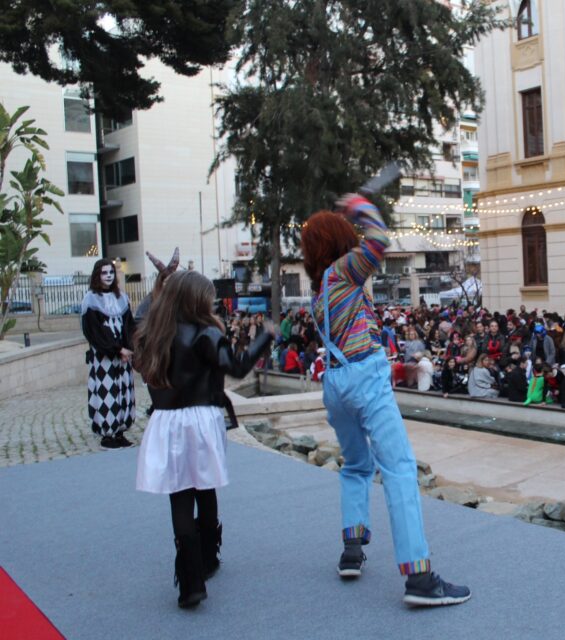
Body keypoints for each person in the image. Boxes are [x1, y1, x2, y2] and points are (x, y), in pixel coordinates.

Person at [299, 194, 469, 606]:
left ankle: (352, 551)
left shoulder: (320, 291)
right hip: (363, 378)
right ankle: (420, 577)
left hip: (336, 385)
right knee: (399, 468)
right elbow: (378, 241)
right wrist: (361, 206)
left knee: (357, 465)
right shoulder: (343, 273)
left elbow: (349, 348)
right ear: (340, 241)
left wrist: (397, 371)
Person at [134, 270, 275, 608]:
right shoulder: (205, 334)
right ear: (197, 299)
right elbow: (238, 368)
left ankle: (190, 581)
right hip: (199, 418)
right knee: (205, 486)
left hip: (166, 421)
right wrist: (264, 337)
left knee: (179, 496)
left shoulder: (153, 333)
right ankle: (209, 556)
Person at [82, 259, 137, 450]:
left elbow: (129, 325)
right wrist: (115, 349)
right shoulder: (90, 299)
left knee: (124, 392)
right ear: (97, 275)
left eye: (111, 273)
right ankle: (107, 434)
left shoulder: (121, 297)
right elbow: (94, 331)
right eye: (104, 273)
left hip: (123, 357)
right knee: (107, 393)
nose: (108, 276)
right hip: (104, 357)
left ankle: (120, 431)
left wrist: (128, 348)